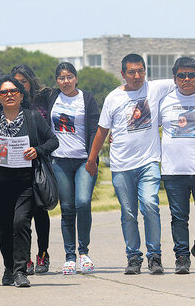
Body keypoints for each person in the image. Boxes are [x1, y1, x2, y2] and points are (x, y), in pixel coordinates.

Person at [86, 54, 175, 275]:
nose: (137, 76)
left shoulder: (155, 88)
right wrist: (92, 159)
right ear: (123, 74)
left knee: (151, 205)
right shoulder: (113, 98)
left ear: (145, 71)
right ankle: (133, 258)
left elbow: (186, 80)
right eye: (132, 72)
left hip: (148, 162)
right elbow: (102, 131)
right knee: (128, 213)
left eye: (140, 71)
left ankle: (154, 256)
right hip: (121, 166)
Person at [0, 75, 58, 287]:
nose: (9, 95)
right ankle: (8, 268)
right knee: (4, 227)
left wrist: (37, 151)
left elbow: (53, 141)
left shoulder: (33, 118)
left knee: (21, 223)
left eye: (13, 91)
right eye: (4, 92)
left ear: (21, 95)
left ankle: (21, 271)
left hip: (27, 183)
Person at [48, 62, 99, 275]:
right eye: (61, 77)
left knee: (83, 202)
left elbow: (96, 129)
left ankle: (83, 252)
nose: (65, 81)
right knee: (67, 208)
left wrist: (93, 158)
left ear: (76, 78)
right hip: (59, 161)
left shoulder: (86, 99)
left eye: (69, 77)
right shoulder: (52, 98)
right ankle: (69, 257)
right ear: (57, 81)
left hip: (83, 161)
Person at [10, 65, 53, 275]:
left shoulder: (42, 102)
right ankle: (24, 258)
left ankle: (42, 253)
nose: (19, 86)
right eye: (16, 83)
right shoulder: (4, 106)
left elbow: (52, 138)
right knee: (20, 217)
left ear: (30, 82)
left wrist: (38, 151)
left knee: (40, 212)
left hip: (38, 166)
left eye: (23, 82)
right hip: (14, 170)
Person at [159, 57, 195, 274]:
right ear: (175, 78)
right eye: (182, 75)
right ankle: (182, 257)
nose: (187, 79)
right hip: (174, 171)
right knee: (179, 217)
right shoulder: (165, 100)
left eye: (191, 74)